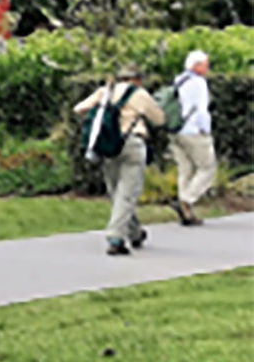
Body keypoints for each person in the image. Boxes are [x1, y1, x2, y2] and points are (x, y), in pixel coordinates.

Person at [73, 66, 165, 256]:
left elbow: (79, 108)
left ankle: (134, 232)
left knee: (117, 191)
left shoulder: (105, 91)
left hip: (108, 145)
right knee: (127, 193)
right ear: (137, 79)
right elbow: (159, 119)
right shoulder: (140, 94)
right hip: (131, 143)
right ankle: (115, 238)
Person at [167, 50, 216, 226]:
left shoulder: (179, 80)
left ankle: (186, 213)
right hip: (193, 130)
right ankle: (186, 200)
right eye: (205, 64)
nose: (208, 67)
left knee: (185, 169)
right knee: (207, 168)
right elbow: (201, 109)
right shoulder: (198, 83)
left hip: (176, 129)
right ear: (196, 65)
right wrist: (205, 130)